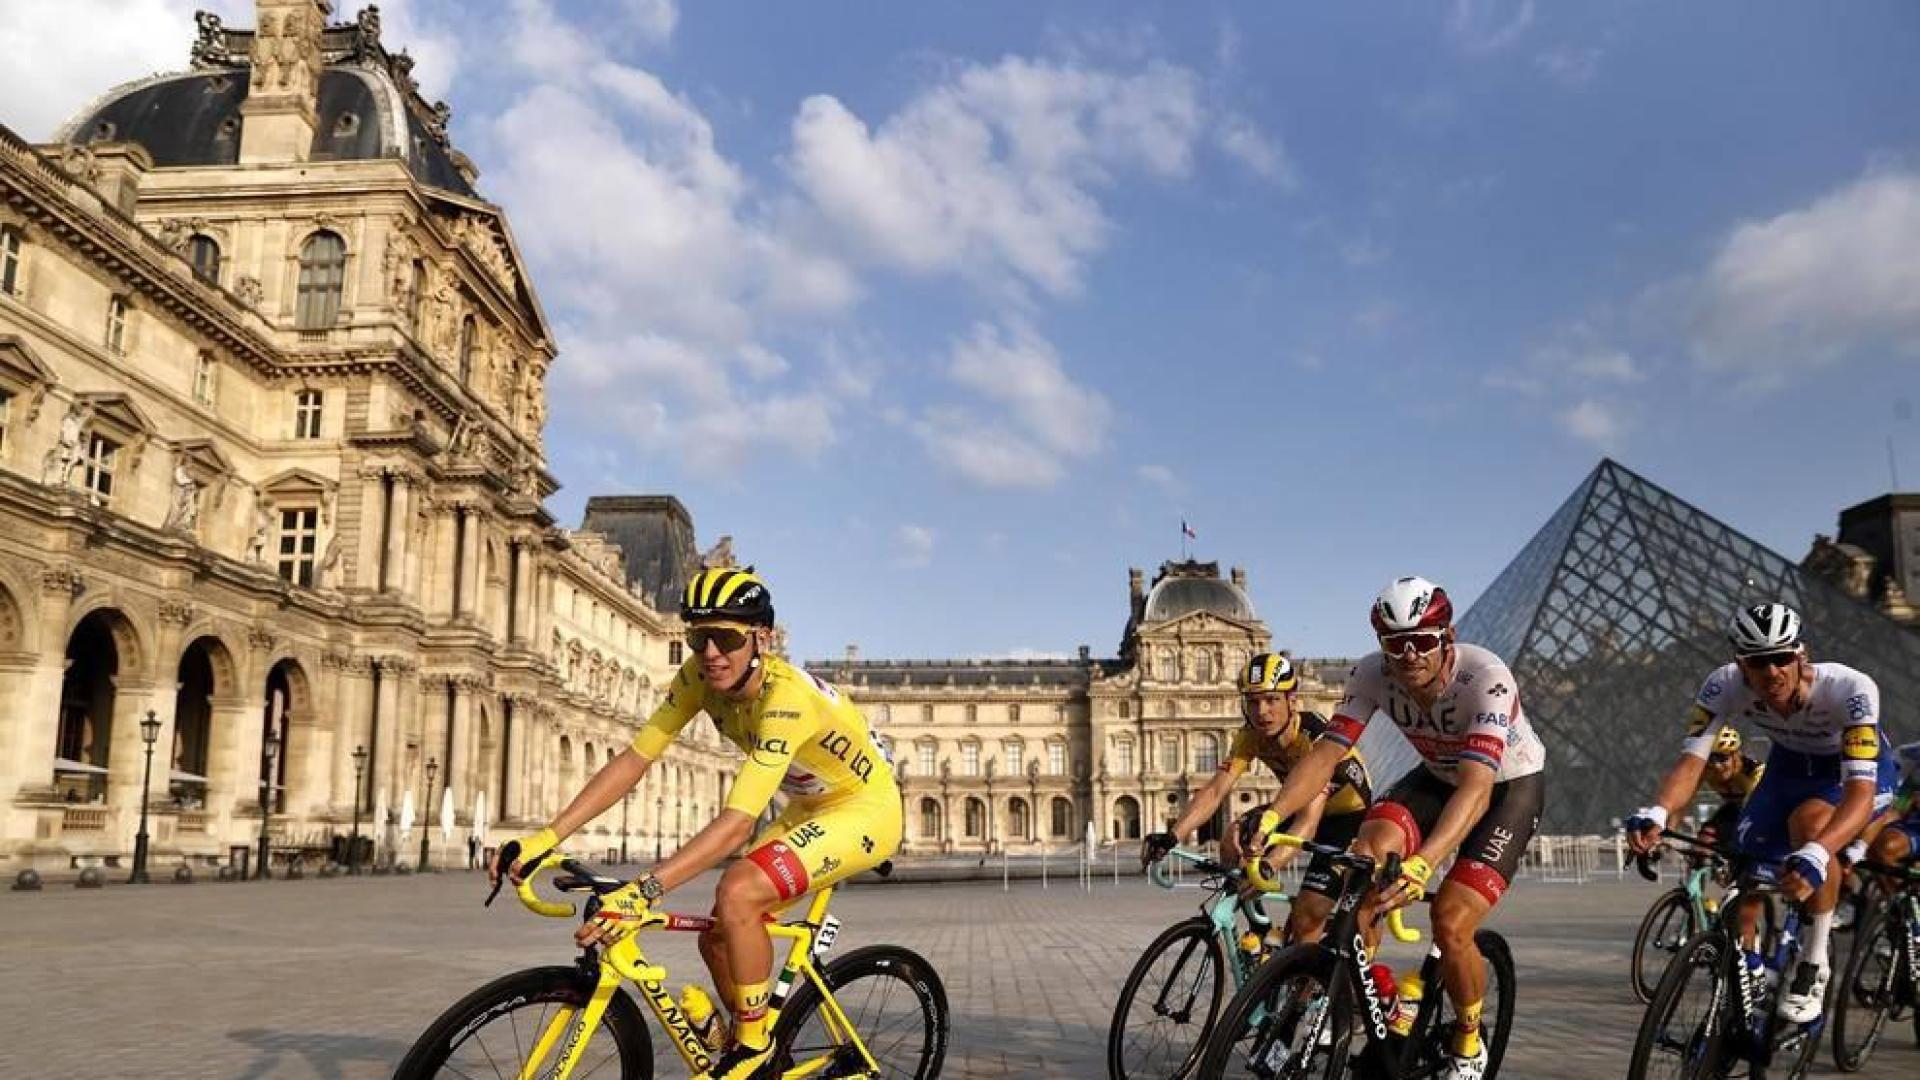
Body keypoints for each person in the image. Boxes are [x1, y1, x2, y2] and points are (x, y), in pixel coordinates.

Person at [494, 567, 901, 1080]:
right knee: (717, 935)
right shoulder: (697, 678)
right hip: (806, 806)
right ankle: (761, 1047)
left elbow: (734, 824)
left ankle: (752, 1046)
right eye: (698, 637)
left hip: (864, 807)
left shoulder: (786, 700)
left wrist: (644, 888)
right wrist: (544, 837)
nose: (710, 652)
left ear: (762, 640)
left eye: (726, 638)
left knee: (739, 891)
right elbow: (633, 761)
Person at [1258, 577, 1547, 1080]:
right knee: (1364, 862)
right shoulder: (1371, 674)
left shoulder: (1487, 678)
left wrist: (1423, 862)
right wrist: (1271, 815)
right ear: (1380, 645)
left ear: (1447, 636)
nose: (1409, 654)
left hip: (1504, 788)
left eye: (1423, 641)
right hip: (1436, 778)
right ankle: (1362, 1000)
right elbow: (1325, 755)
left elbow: (1477, 788)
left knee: (1452, 921)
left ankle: (1468, 1040)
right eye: (1395, 643)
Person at [1627, 602, 1898, 1025]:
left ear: (1800, 655)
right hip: (1789, 766)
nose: (1771, 672)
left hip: (1851, 774)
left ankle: (1814, 963)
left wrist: (1819, 851)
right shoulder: (1722, 686)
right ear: (1740, 664)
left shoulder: (1850, 688)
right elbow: (1691, 765)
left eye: (1781, 658)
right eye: (1757, 662)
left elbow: (1860, 793)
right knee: (1744, 870)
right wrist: (1660, 812)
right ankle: (1750, 967)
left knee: (1809, 829)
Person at [1141, 652, 1372, 945]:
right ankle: (1260, 928)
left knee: (1306, 918)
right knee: (1234, 834)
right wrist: (1172, 837)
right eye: (1253, 701)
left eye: (1271, 700)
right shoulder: (1250, 735)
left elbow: (1309, 821)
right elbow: (1215, 790)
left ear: (1292, 701)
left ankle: (1304, 982)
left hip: (1348, 820)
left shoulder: (1313, 737)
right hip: (1296, 806)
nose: (1262, 711)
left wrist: (1268, 865)